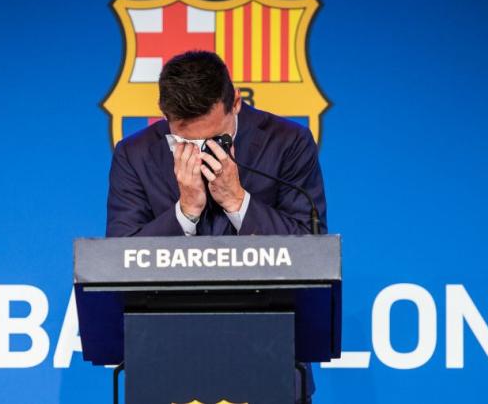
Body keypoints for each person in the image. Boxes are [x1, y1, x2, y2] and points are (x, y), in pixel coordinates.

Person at [106, 50, 327, 404]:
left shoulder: (288, 142)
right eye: (186, 143)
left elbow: (311, 249)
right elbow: (119, 261)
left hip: (267, 359)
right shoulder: (134, 154)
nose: (201, 153)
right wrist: (185, 212)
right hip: (166, 364)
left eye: (215, 139)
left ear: (235, 102)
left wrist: (238, 201)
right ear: (164, 115)